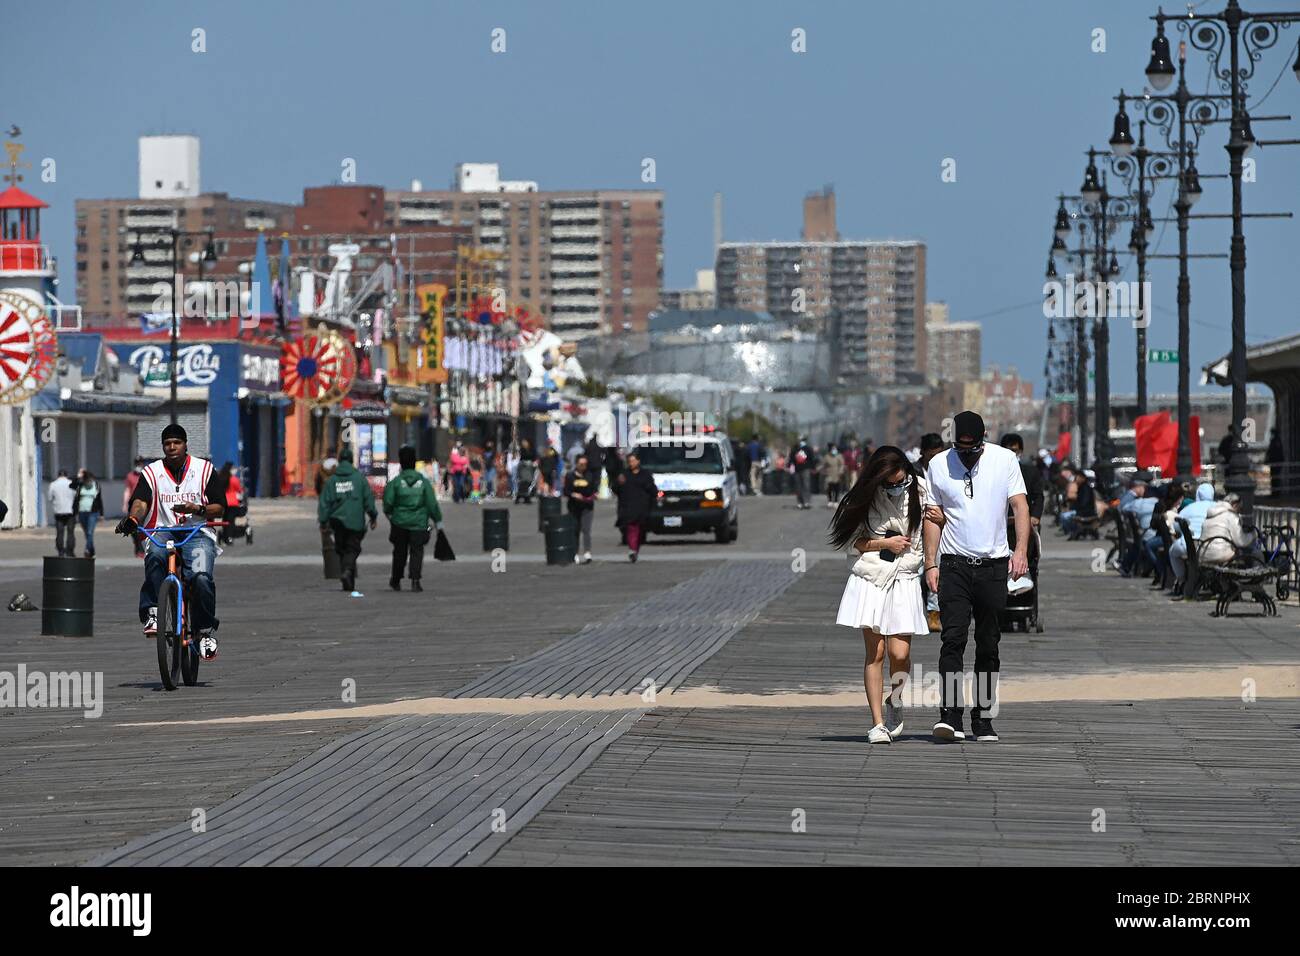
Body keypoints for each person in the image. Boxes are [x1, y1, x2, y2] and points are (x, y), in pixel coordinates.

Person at [923, 410, 1030, 743]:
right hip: (954, 564)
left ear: (984, 440)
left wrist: (1021, 551)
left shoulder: (1004, 460)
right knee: (952, 639)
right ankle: (950, 716)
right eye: (962, 449)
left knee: (988, 643)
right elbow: (932, 517)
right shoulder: (938, 465)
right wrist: (930, 563)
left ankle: (983, 718)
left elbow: (1020, 506)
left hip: (994, 565)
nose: (967, 455)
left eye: (974, 449)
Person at [831, 445, 940, 745]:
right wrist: (886, 543)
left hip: (905, 575)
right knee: (875, 652)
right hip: (872, 576)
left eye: (898, 480)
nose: (894, 486)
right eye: (888, 483)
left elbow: (936, 526)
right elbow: (855, 543)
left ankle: (896, 699)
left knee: (899, 654)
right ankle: (877, 723)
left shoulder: (922, 490)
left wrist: (938, 520)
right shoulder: (867, 494)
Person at [114, 424, 225, 661]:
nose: (172, 447)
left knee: (202, 578)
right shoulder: (152, 473)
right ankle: (153, 610)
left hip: (197, 531)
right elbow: (141, 501)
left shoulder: (204, 469)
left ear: (186, 445)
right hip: (163, 530)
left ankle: (204, 631)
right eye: (167, 443)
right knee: (153, 554)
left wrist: (198, 508)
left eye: (177, 442)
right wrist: (134, 518)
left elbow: (220, 506)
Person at [383, 445, 443, 592]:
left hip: (399, 523)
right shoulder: (423, 482)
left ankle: (396, 580)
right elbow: (432, 504)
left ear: (401, 463)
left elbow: (388, 504)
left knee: (399, 552)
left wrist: (392, 515)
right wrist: (438, 521)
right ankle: (415, 581)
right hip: (419, 524)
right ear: (415, 462)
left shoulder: (395, 483)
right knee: (417, 551)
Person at [318, 448, 378, 594]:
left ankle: (347, 578)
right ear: (351, 460)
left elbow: (324, 502)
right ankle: (347, 572)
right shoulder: (359, 478)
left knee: (341, 548)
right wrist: (373, 516)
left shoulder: (332, 481)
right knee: (352, 548)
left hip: (337, 521)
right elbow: (368, 499)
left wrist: (323, 521)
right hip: (355, 521)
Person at [1168, 482, 1216, 597]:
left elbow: (1176, 526)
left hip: (1189, 547)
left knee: (1173, 552)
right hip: (1213, 547)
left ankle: (1181, 578)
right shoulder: (1218, 507)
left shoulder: (1190, 508)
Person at [614, 451, 657, 562]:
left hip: (643, 506)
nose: (631, 463)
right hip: (628, 506)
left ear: (638, 461)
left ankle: (635, 549)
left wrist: (657, 496)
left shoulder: (645, 474)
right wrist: (618, 483)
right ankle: (632, 550)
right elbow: (615, 489)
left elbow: (653, 489)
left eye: (633, 461)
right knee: (631, 528)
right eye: (630, 461)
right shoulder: (624, 475)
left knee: (641, 530)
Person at [999, 434, 1044, 528]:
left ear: (1020, 451)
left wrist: (1035, 516)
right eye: (1007, 450)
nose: (1011, 454)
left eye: (1014, 450)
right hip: (1000, 524)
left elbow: (1038, 496)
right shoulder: (994, 473)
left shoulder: (1031, 473)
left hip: (1025, 523)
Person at [1199, 492, 1254, 567]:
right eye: (1239, 509)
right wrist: (1253, 535)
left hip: (1203, 554)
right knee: (1244, 553)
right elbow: (1241, 542)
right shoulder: (1231, 516)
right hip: (1220, 554)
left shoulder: (1210, 514)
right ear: (1235, 504)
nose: (1239, 512)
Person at [564, 454, 598, 564]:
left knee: (586, 530)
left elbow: (594, 488)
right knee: (575, 530)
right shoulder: (570, 476)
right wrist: (573, 494)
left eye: (585, 464)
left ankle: (587, 552)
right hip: (574, 507)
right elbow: (566, 491)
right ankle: (574, 553)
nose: (583, 466)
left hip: (587, 506)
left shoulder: (590, 475)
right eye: (581, 464)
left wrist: (594, 494)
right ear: (577, 464)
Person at [73, 469, 104, 558]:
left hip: (92, 513)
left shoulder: (96, 486)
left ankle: (87, 550)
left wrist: (101, 514)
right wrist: (78, 476)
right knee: (87, 533)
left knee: (90, 532)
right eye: (87, 480)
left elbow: (99, 500)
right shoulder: (80, 486)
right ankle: (92, 550)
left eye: (90, 480)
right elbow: (72, 485)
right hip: (82, 512)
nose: (89, 482)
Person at [48, 469, 76, 557]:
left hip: (59, 511)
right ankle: (70, 551)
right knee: (70, 532)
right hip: (70, 511)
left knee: (60, 532)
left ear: (58, 475)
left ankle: (60, 551)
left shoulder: (53, 484)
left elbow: (49, 498)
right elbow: (76, 496)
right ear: (67, 475)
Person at [218, 462, 245, 545]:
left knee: (224, 520)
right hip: (233, 502)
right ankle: (230, 537)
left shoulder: (220, 478)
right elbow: (240, 490)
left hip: (223, 502)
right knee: (231, 521)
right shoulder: (233, 479)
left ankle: (225, 537)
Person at [792, 436, 817, 509]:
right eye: (800, 440)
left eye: (802, 440)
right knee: (798, 486)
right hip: (797, 469)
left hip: (806, 469)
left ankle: (807, 502)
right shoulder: (795, 449)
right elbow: (792, 458)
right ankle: (800, 502)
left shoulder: (808, 449)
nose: (801, 441)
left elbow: (812, 458)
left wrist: (813, 468)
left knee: (806, 485)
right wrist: (790, 466)